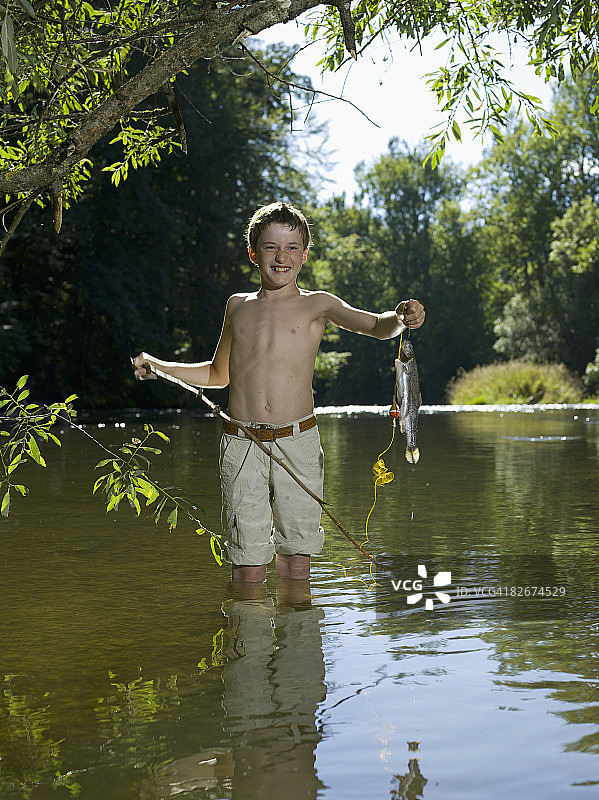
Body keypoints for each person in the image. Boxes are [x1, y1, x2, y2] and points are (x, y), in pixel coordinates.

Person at [133, 201, 425, 583]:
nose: (281, 256)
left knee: (295, 563)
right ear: (253, 253)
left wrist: (402, 316)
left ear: (304, 255)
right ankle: (249, 637)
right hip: (242, 443)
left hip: (298, 442)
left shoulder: (318, 304)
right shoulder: (237, 306)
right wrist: (158, 366)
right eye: (270, 247)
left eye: (291, 248)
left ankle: (297, 641)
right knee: (248, 563)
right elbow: (218, 374)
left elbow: (376, 326)